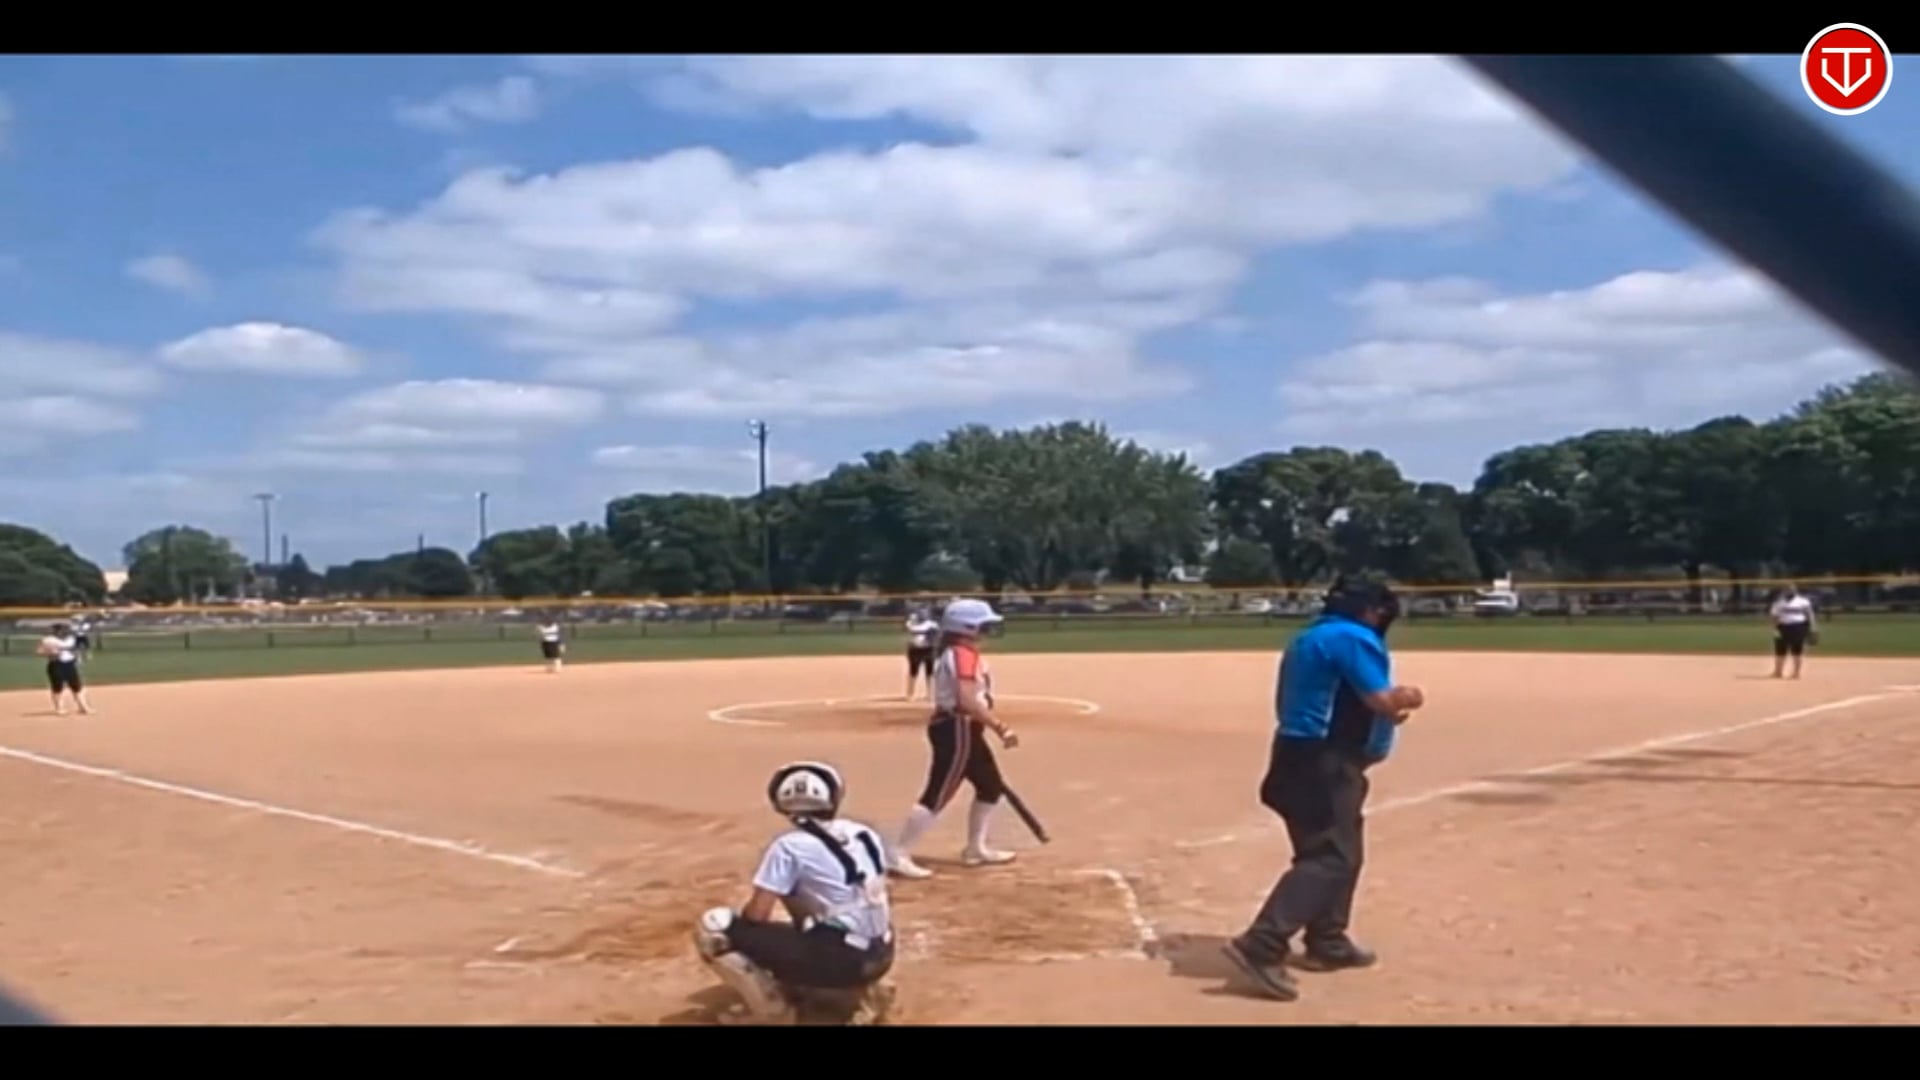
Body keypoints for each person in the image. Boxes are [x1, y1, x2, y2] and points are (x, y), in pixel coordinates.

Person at [1221, 574, 1425, 1002]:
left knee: (1336, 848)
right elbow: (1381, 701)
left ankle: (1327, 940)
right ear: (1369, 611)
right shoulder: (1352, 637)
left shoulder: (1311, 636)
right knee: (1332, 857)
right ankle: (1262, 943)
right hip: (1324, 761)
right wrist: (1408, 696)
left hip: (1297, 756)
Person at [692, 761, 897, 1025]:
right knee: (833, 913)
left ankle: (774, 1015)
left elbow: (758, 915)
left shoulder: (788, 847)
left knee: (716, 928)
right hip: (882, 953)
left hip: (844, 962)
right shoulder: (863, 833)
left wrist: (744, 928)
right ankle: (868, 993)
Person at [887, 598, 1020, 879]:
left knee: (990, 786)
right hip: (956, 727)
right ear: (967, 627)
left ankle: (976, 848)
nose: (987, 629)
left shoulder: (962, 652)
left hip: (966, 729)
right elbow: (966, 699)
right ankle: (898, 852)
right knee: (939, 791)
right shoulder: (962, 655)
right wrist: (1000, 727)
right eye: (983, 624)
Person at [36, 621, 93, 716]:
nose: (62, 631)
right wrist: (49, 653)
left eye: (64, 629)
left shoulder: (71, 639)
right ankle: (59, 708)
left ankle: (83, 707)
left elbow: (77, 648)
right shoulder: (48, 640)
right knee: (57, 687)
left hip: (70, 664)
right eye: (59, 630)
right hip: (56, 664)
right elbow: (39, 651)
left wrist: (78, 655)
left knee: (76, 686)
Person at [1768, 583, 1816, 679]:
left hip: (1798, 627)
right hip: (1783, 627)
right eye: (1787, 590)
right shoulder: (1778, 603)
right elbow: (1774, 617)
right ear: (1784, 591)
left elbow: (1809, 615)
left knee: (1797, 651)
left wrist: (1812, 627)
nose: (1790, 591)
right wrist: (1775, 629)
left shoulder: (1803, 602)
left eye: (1791, 590)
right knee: (1780, 650)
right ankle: (1778, 672)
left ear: (1795, 591)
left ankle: (1796, 673)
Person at [903, 606, 939, 700]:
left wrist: (932, 641)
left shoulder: (932, 625)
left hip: (928, 649)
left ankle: (930, 694)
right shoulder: (911, 623)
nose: (923, 615)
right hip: (915, 650)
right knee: (913, 671)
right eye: (921, 613)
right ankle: (910, 694)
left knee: (930, 672)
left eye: (925, 613)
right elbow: (908, 631)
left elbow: (936, 636)